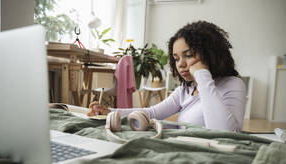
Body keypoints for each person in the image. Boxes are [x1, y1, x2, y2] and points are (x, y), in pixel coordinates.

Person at [87, 21, 246, 132]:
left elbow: (224, 132)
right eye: (176, 58)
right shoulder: (184, 91)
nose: (181, 64)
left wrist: (202, 76)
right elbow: (151, 113)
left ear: (210, 53)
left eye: (188, 55)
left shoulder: (232, 84)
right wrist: (110, 112)